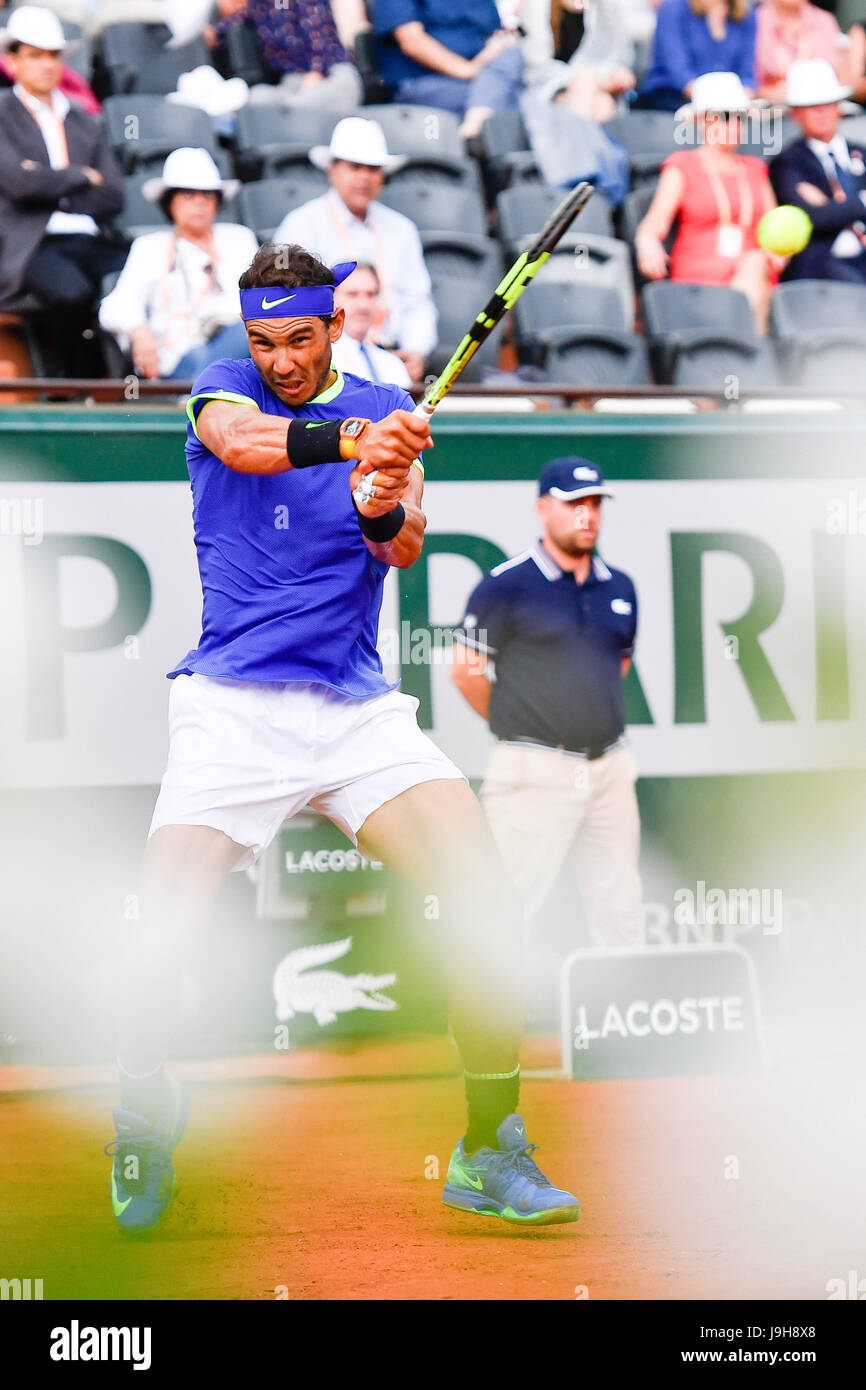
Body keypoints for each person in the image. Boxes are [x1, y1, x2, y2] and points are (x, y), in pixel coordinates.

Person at [104, 243, 580, 1235]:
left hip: (354, 707)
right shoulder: (223, 388)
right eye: (263, 338)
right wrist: (358, 435)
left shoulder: (381, 396)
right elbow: (245, 443)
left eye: (298, 338)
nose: (278, 357)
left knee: (485, 898)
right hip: (230, 705)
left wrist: (380, 495)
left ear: (334, 328)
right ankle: (144, 1101)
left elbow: (401, 542)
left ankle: (486, 1146)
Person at [451, 457, 642, 950]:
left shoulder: (620, 587)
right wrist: (521, 724)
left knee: (620, 909)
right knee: (508, 907)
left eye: (595, 503)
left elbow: (615, 668)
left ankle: (622, 1022)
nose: (587, 514)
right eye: (574, 503)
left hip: (609, 770)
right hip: (533, 768)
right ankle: (486, 1027)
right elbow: (465, 670)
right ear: (542, 508)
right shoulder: (506, 584)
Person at [0, 5, 126, 374]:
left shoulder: (84, 119)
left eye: (53, 55)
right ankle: (76, 386)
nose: (47, 64)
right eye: (35, 55)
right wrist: (81, 174)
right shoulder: (2, 114)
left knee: (143, 276)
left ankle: (132, 389)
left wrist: (48, 180)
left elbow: (114, 194)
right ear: (14, 61)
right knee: (72, 293)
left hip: (92, 237)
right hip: (34, 242)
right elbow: (18, 184)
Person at [274, 117, 436, 385]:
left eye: (373, 169)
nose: (364, 177)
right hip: (328, 357)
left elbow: (418, 301)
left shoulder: (401, 228)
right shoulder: (300, 225)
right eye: (355, 167)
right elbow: (286, 300)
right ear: (332, 170)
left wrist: (416, 350)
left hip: (392, 354)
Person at [635, 71, 782, 332]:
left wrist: (779, 254)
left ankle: (743, 345)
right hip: (700, 277)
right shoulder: (683, 164)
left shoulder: (755, 169)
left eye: (739, 118)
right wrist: (647, 243)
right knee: (754, 265)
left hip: (754, 273)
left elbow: (775, 231)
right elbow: (654, 223)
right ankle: (748, 349)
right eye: (724, 117)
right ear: (702, 120)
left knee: (755, 263)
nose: (734, 126)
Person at [98, 147, 257, 381]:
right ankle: (204, 393)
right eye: (188, 195)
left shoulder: (238, 239)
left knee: (249, 334)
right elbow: (112, 308)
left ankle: (202, 394)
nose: (199, 203)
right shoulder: (149, 247)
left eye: (207, 195)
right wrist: (138, 331)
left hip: (239, 345)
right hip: (177, 358)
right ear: (169, 202)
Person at [769, 58, 866, 282]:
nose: (822, 111)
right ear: (795, 113)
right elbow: (812, 217)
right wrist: (861, 202)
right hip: (825, 265)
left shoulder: (861, 152)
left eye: (829, 103)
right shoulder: (789, 161)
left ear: (839, 108)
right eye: (812, 106)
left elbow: (826, 212)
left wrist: (836, 206)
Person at [372, 0, 524, 138]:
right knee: (518, 101)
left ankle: (474, 125)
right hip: (423, 81)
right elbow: (411, 41)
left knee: (513, 56)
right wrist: (467, 70)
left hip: (483, 78)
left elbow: (495, 29)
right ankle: (473, 133)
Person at [209, 0, 363, 110]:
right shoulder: (260, 4)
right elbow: (233, 22)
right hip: (292, 83)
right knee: (256, 100)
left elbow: (319, 38)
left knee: (296, 107)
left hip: (331, 75)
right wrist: (213, 33)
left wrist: (317, 72)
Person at [639, 0, 758, 112]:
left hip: (727, 105)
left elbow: (747, 75)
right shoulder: (673, 7)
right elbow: (677, 71)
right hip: (673, 99)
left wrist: (739, 98)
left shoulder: (746, 14)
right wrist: (715, 101)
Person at [330, 261, 414, 386]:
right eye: (352, 294)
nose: (363, 305)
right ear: (331, 299)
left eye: (371, 294)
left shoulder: (392, 364)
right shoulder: (321, 360)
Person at [755, 0, 849, 102]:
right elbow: (746, 83)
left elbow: (842, 78)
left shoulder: (824, 20)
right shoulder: (754, 21)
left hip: (821, 104)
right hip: (771, 109)